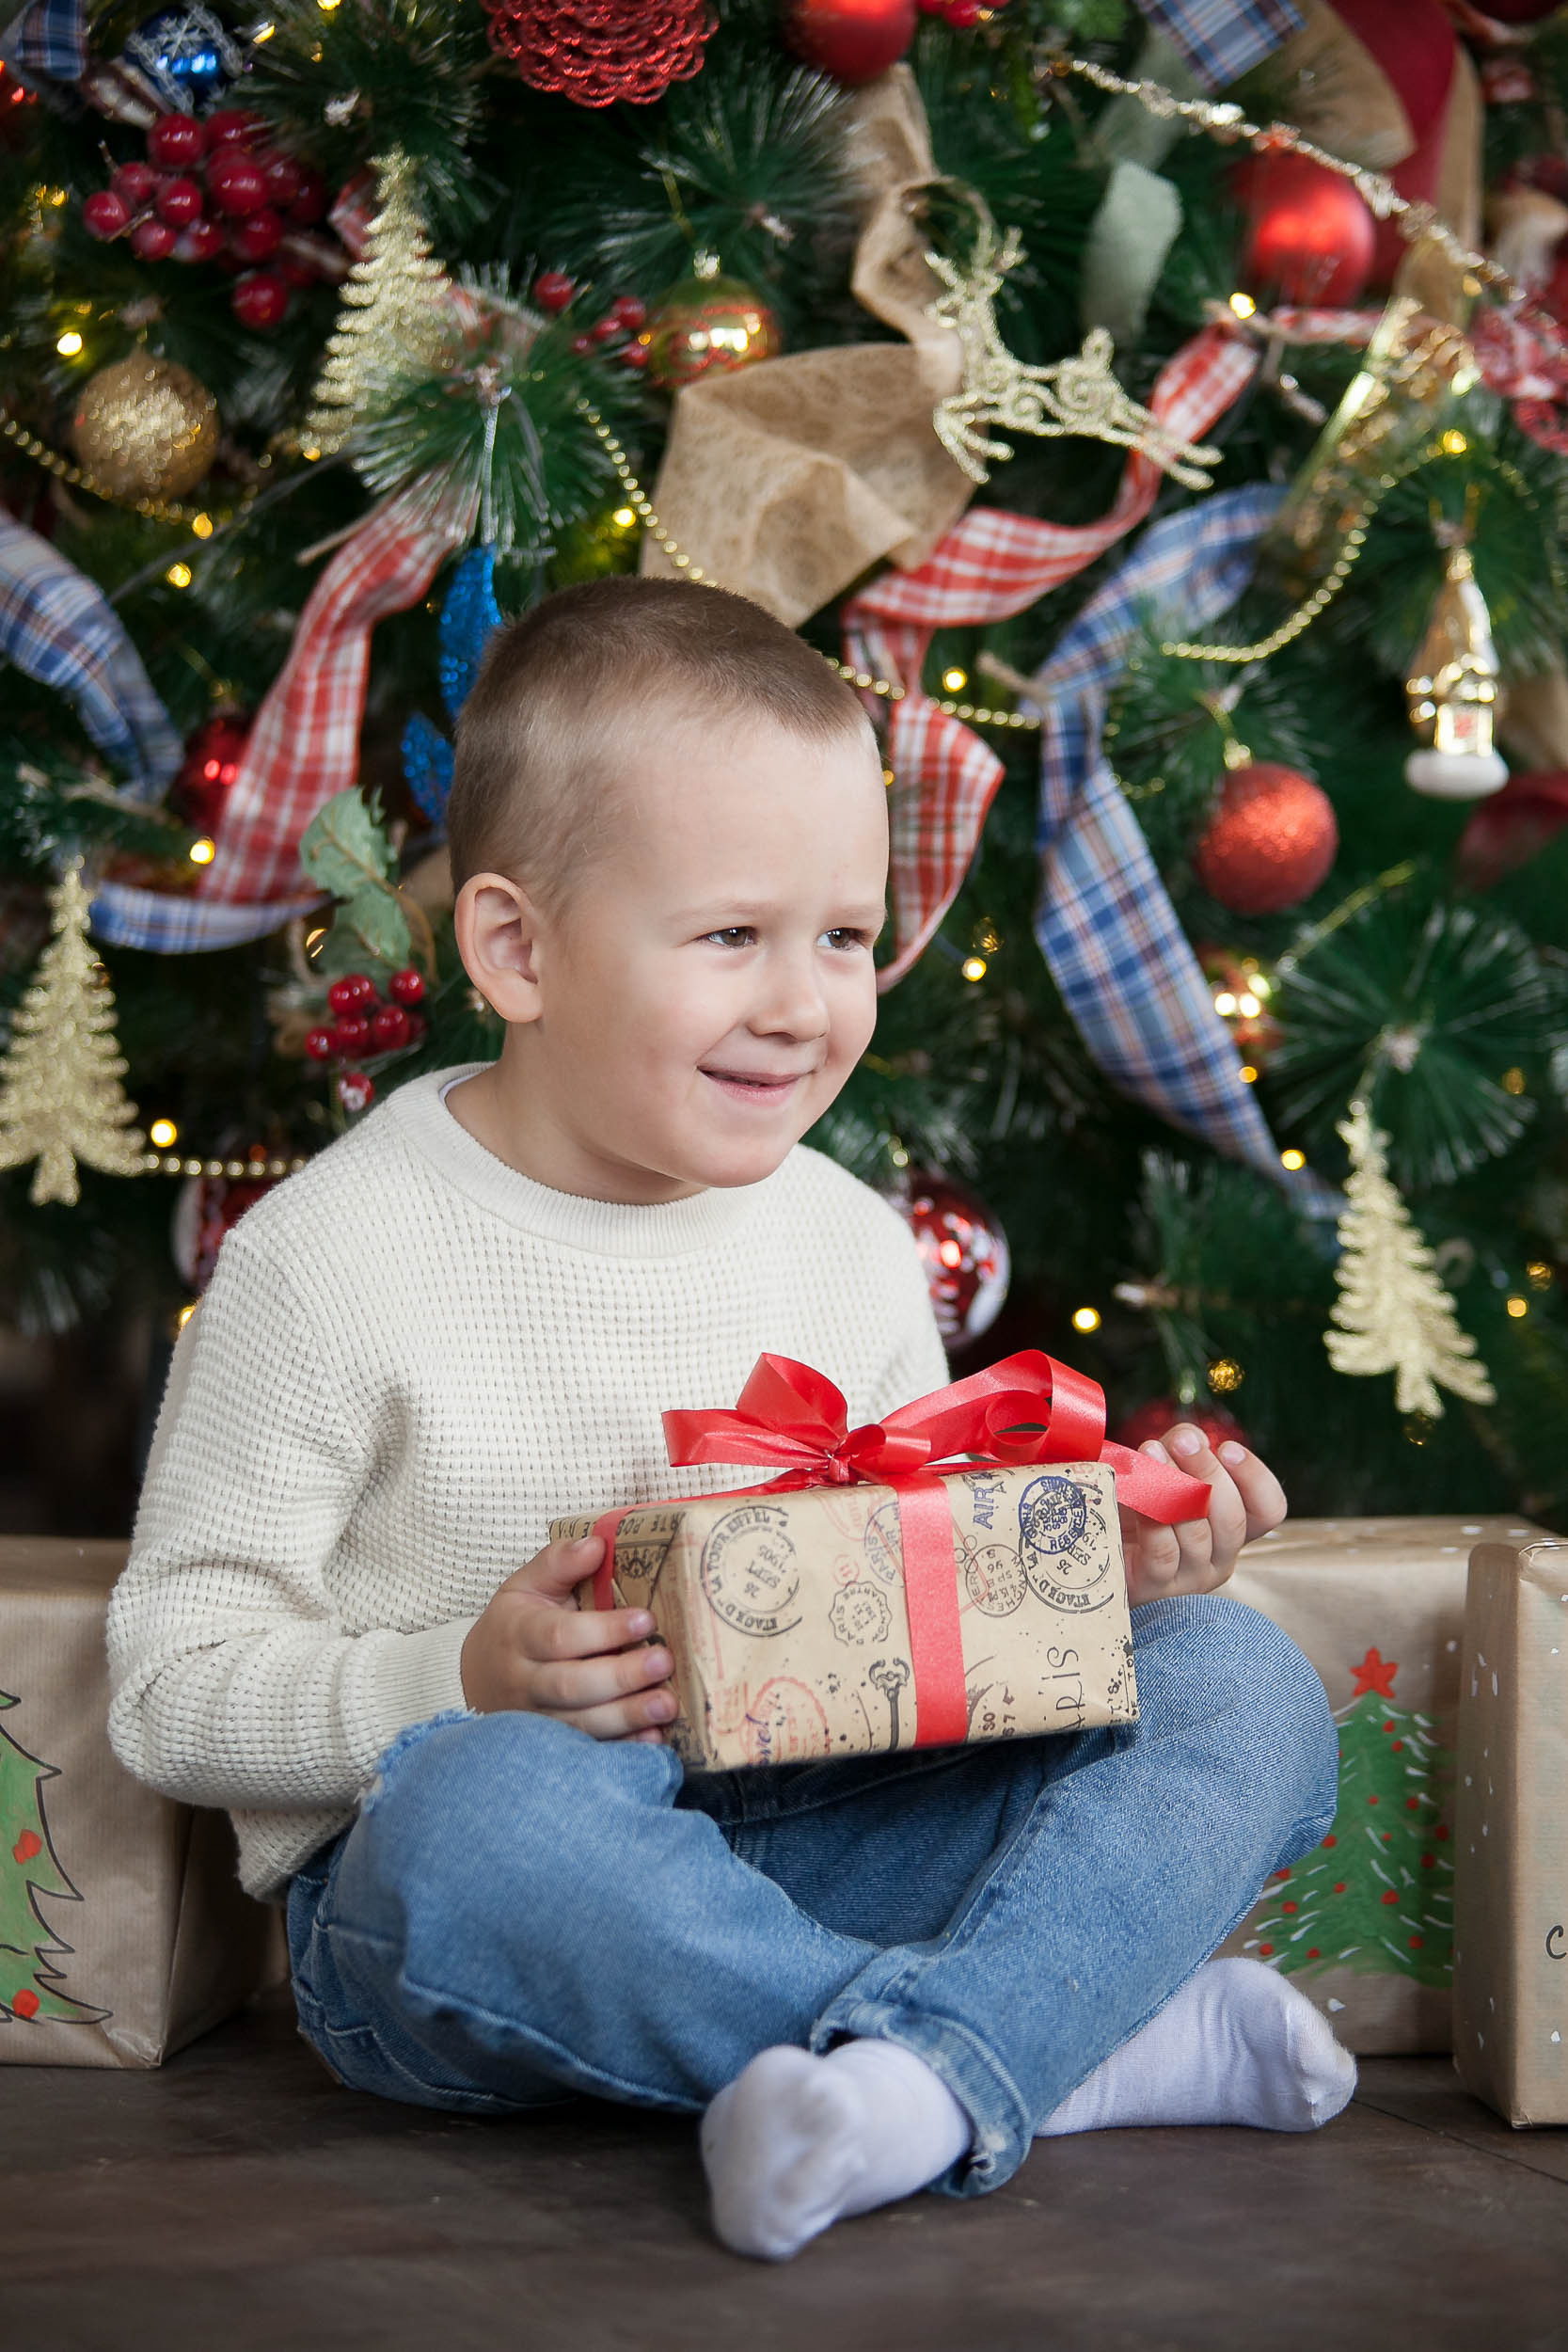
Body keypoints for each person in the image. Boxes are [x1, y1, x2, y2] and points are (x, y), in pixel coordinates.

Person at [108, 576, 1351, 2265]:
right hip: (511, 1900)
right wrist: (449, 1684)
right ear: (516, 950)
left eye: (843, 936)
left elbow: (933, 1620)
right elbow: (170, 1688)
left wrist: (1089, 1579)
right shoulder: (333, 1258)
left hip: (835, 1824)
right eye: (729, 938)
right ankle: (1044, 2047)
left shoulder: (842, 1231)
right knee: (484, 1821)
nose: (804, 1003)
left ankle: (919, 2069)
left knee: (1240, 1676)